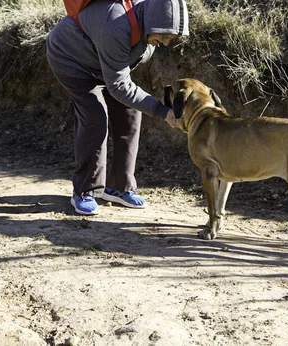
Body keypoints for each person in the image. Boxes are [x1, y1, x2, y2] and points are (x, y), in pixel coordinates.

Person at [46, 0, 189, 215]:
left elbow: (121, 75)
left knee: (130, 114)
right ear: (152, 22)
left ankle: (118, 187)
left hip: (101, 63)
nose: (166, 43)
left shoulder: (147, 26)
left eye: (172, 39)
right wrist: (162, 112)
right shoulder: (115, 24)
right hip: (71, 60)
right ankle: (85, 191)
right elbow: (119, 86)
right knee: (95, 117)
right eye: (165, 37)